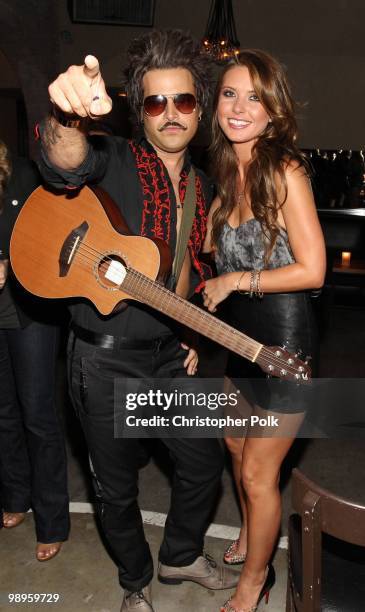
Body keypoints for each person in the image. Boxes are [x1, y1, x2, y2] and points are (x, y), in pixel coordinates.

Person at [37, 30, 238, 612]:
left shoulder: (203, 184)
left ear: (199, 107)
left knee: (204, 460)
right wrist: (67, 116)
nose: (170, 114)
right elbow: (65, 164)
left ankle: (178, 557)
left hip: (171, 355)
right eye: (155, 102)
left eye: (183, 101)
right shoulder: (117, 158)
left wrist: (190, 330)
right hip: (103, 358)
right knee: (115, 488)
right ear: (138, 111)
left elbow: (187, 271)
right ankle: (133, 583)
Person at [202, 50, 326, 612]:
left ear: (272, 111)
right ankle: (255, 539)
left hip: (283, 347)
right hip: (236, 343)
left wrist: (235, 280)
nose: (240, 106)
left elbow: (313, 269)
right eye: (230, 93)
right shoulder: (226, 173)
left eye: (254, 96)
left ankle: (256, 581)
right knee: (235, 448)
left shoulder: (285, 169)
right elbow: (209, 256)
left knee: (258, 470)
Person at [0, 140, 69, 560]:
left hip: (30, 312)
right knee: (4, 413)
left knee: (38, 415)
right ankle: (14, 496)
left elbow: (55, 229)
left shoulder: (26, 174)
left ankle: (52, 521)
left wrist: (9, 259)